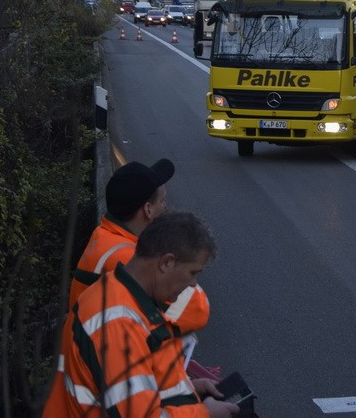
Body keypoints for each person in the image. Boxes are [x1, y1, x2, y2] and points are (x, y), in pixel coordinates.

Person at [43, 212, 239, 416]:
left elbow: (133, 386)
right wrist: (204, 414)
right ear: (166, 263)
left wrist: (191, 388)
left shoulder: (119, 294)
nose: (193, 283)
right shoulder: (117, 325)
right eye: (193, 272)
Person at [68, 158, 210, 334]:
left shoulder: (105, 236)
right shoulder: (126, 258)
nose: (165, 207)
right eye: (162, 201)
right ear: (148, 209)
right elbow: (197, 309)